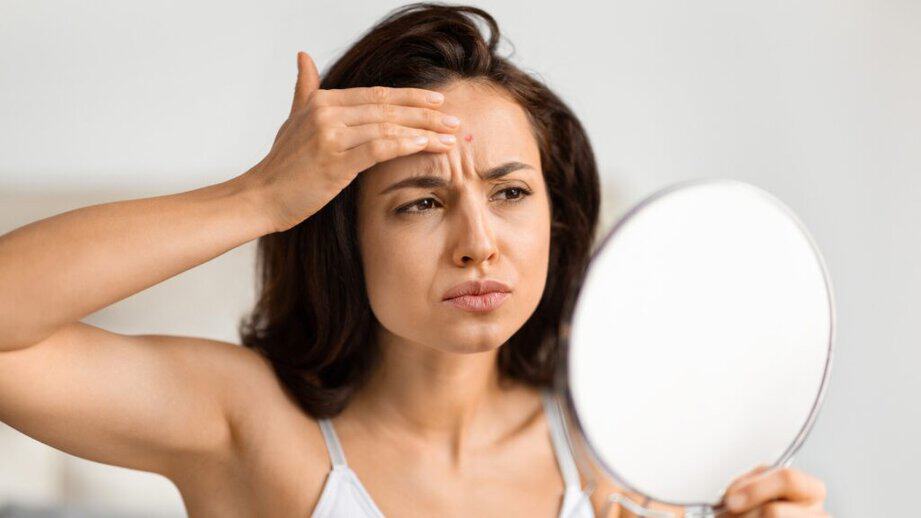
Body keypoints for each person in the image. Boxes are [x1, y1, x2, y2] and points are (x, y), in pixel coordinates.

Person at [0, 3, 829, 517]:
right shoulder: (248, 428)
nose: (478, 241)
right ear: (341, 233)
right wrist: (260, 195)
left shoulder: (633, 455)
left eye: (510, 193)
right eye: (420, 203)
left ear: (560, 220)